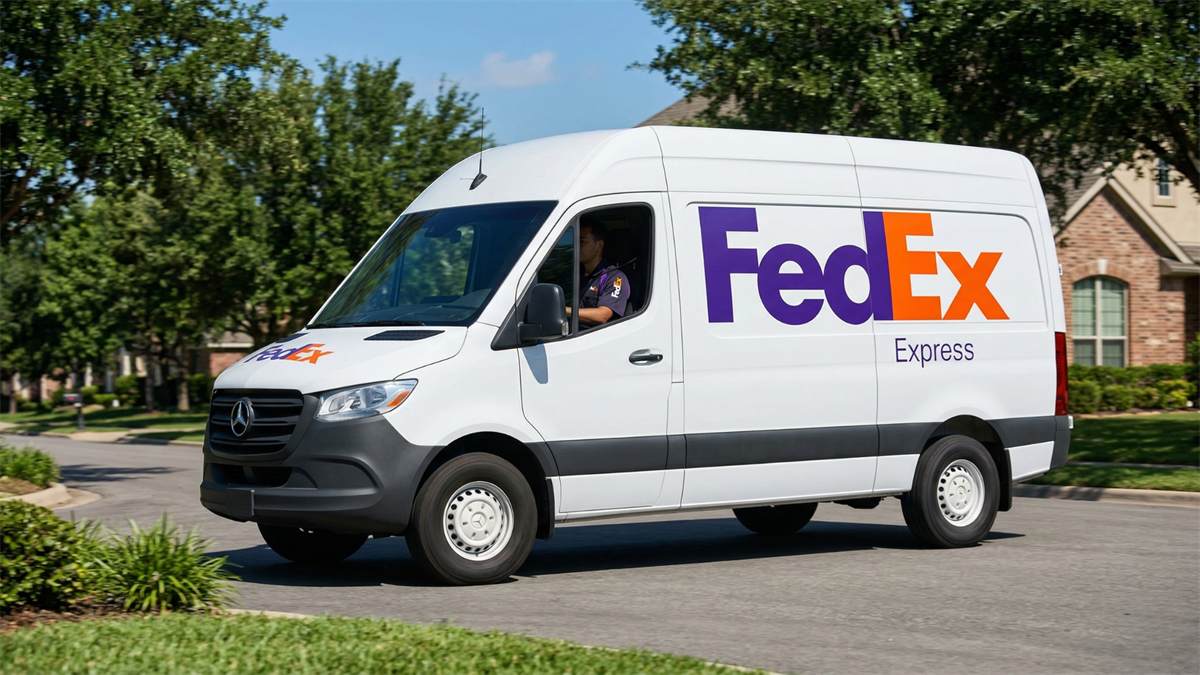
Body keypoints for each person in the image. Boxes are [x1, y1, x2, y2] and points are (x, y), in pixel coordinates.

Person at [574, 221, 630, 327]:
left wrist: (563, 311)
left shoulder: (614, 277)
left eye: (582, 241)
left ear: (599, 246)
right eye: (575, 241)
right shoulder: (572, 274)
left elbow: (603, 315)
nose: (576, 246)